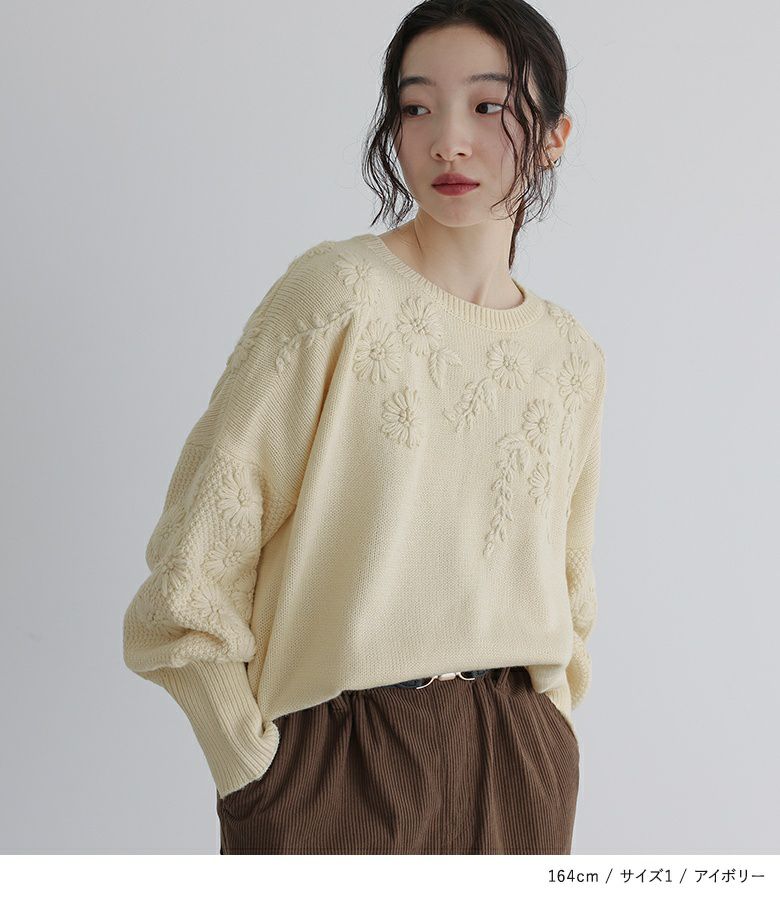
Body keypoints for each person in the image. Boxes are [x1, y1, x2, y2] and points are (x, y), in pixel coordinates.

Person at [122, 0, 606, 855]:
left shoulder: (570, 355)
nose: (448, 140)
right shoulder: (334, 296)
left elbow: (570, 586)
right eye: (417, 107)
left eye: (488, 106)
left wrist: (551, 730)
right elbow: (195, 564)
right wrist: (253, 767)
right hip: (336, 758)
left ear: (555, 136)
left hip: (516, 761)